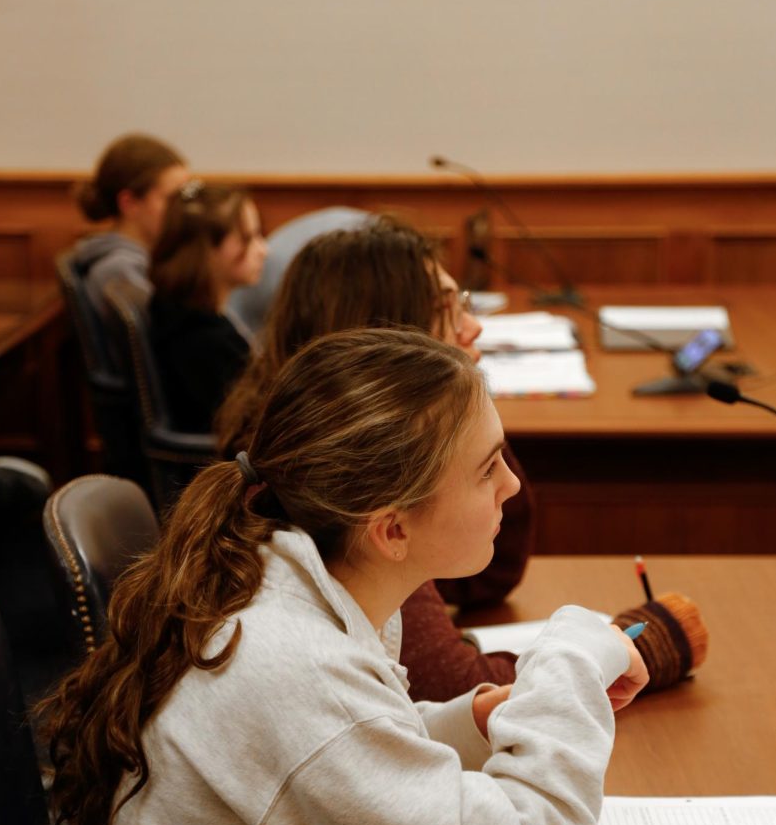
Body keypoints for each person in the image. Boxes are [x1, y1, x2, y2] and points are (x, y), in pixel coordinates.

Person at [40, 328, 648, 825]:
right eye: (488, 467)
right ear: (391, 528)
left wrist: (474, 723)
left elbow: (323, 765)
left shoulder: (280, 587)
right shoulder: (287, 659)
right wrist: (566, 665)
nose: (512, 488)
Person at [215, 219, 536, 700]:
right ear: (388, 333)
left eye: (462, 302)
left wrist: (460, 415)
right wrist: (606, 657)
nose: (473, 327)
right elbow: (451, 685)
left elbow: (490, 577)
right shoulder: (325, 481)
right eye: (445, 311)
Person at [149, 181, 267, 433]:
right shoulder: (202, 340)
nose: (263, 250)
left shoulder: (179, 311)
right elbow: (246, 428)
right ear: (208, 251)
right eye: (249, 238)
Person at [73, 133, 189, 315]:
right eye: (172, 199)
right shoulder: (119, 271)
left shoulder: (146, 258)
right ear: (129, 203)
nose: (184, 208)